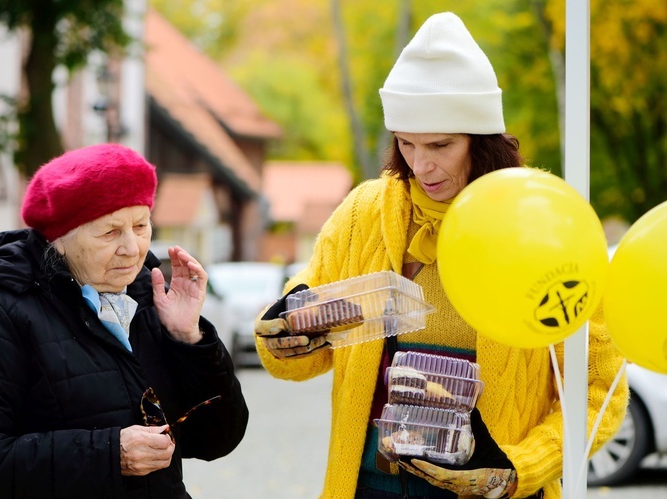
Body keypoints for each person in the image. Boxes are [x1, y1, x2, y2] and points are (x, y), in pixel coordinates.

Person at [254, 12, 628, 499]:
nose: (421, 164)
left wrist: (516, 470)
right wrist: (284, 332)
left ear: (484, 140)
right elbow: (294, 362)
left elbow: (600, 392)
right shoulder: (364, 213)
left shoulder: (542, 220)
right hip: (371, 485)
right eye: (406, 144)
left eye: (440, 145)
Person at [0, 144, 249, 498]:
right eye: (110, 232)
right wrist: (110, 454)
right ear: (60, 240)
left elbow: (217, 439)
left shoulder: (147, 298)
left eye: (141, 225)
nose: (132, 247)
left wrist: (188, 337)